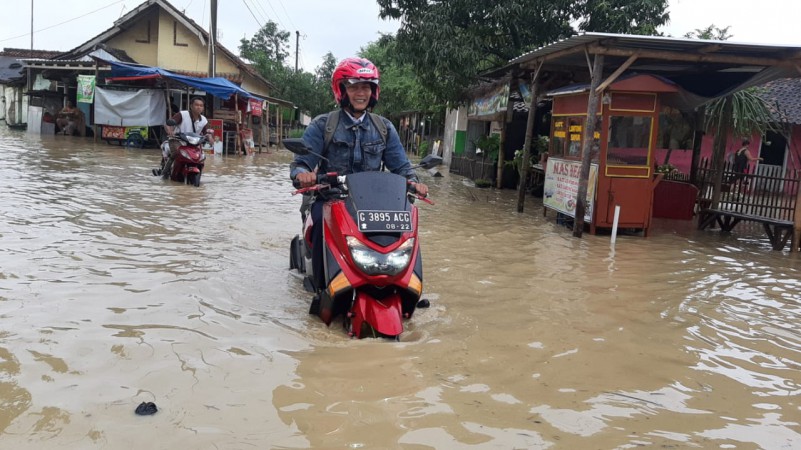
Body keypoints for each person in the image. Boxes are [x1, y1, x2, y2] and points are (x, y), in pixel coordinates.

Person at [289, 57, 428, 292]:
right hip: (332, 200)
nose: (360, 93)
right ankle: (322, 288)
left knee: (406, 227)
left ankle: (408, 286)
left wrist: (414, 182)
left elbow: (402, 168)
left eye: (366, 87)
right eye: (354, 87)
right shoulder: (323, 125)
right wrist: (303, 174)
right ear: (341, 90)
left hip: (375, 204)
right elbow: (301, 162)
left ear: (373, 91)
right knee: (321, 222)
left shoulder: (384, 128)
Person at [159, 96, 214, 179]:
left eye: (201, 105)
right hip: (177, 140)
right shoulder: (182, 114)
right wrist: (170, 131)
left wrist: (210, 138)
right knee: (176, 154)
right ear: (191, 106)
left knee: (201, 157)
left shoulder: (204, 120)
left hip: (194, 143)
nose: (199, 107)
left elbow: (207, 132)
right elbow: (168, 124)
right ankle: (165, 173)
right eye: (196, 105)